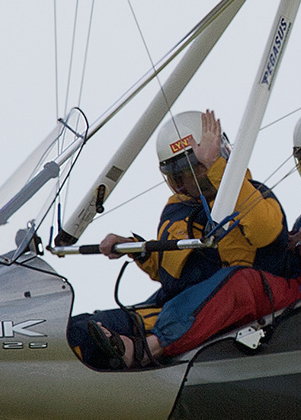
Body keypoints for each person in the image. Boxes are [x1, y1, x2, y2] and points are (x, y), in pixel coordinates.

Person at [95, 104, 301, 366]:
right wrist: (140, 250)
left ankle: (148, 349)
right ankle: (97, 340)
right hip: (293, 294)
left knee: (241, 282)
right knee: (130, 312)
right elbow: (184, 269)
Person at [68, 109, 286, 370]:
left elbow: (264, 231)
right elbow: (172, 272)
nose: (193, 182)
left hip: (236, 304)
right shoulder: (176, 210)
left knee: (232, 282)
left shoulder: (253, 195)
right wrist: (136, 248)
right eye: (181, 176)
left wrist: (218, 170)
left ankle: (144, 349)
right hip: (178, 306)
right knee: (83, 330)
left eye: (199, 169)